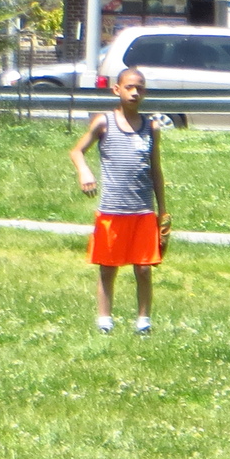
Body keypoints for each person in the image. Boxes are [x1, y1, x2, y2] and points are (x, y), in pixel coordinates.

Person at [69, 66, 169, 336]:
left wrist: (163, 212)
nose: (135, 92)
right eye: (129, 87)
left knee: (144, 269)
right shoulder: (104, 122)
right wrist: (84, 171)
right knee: (107, 268)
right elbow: (77, 151)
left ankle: (143, 321)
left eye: (140, 88)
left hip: (143, 211)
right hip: (112, 210)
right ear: (117, 89)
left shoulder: (151, 126)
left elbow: (156, 170)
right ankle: (105, 320)